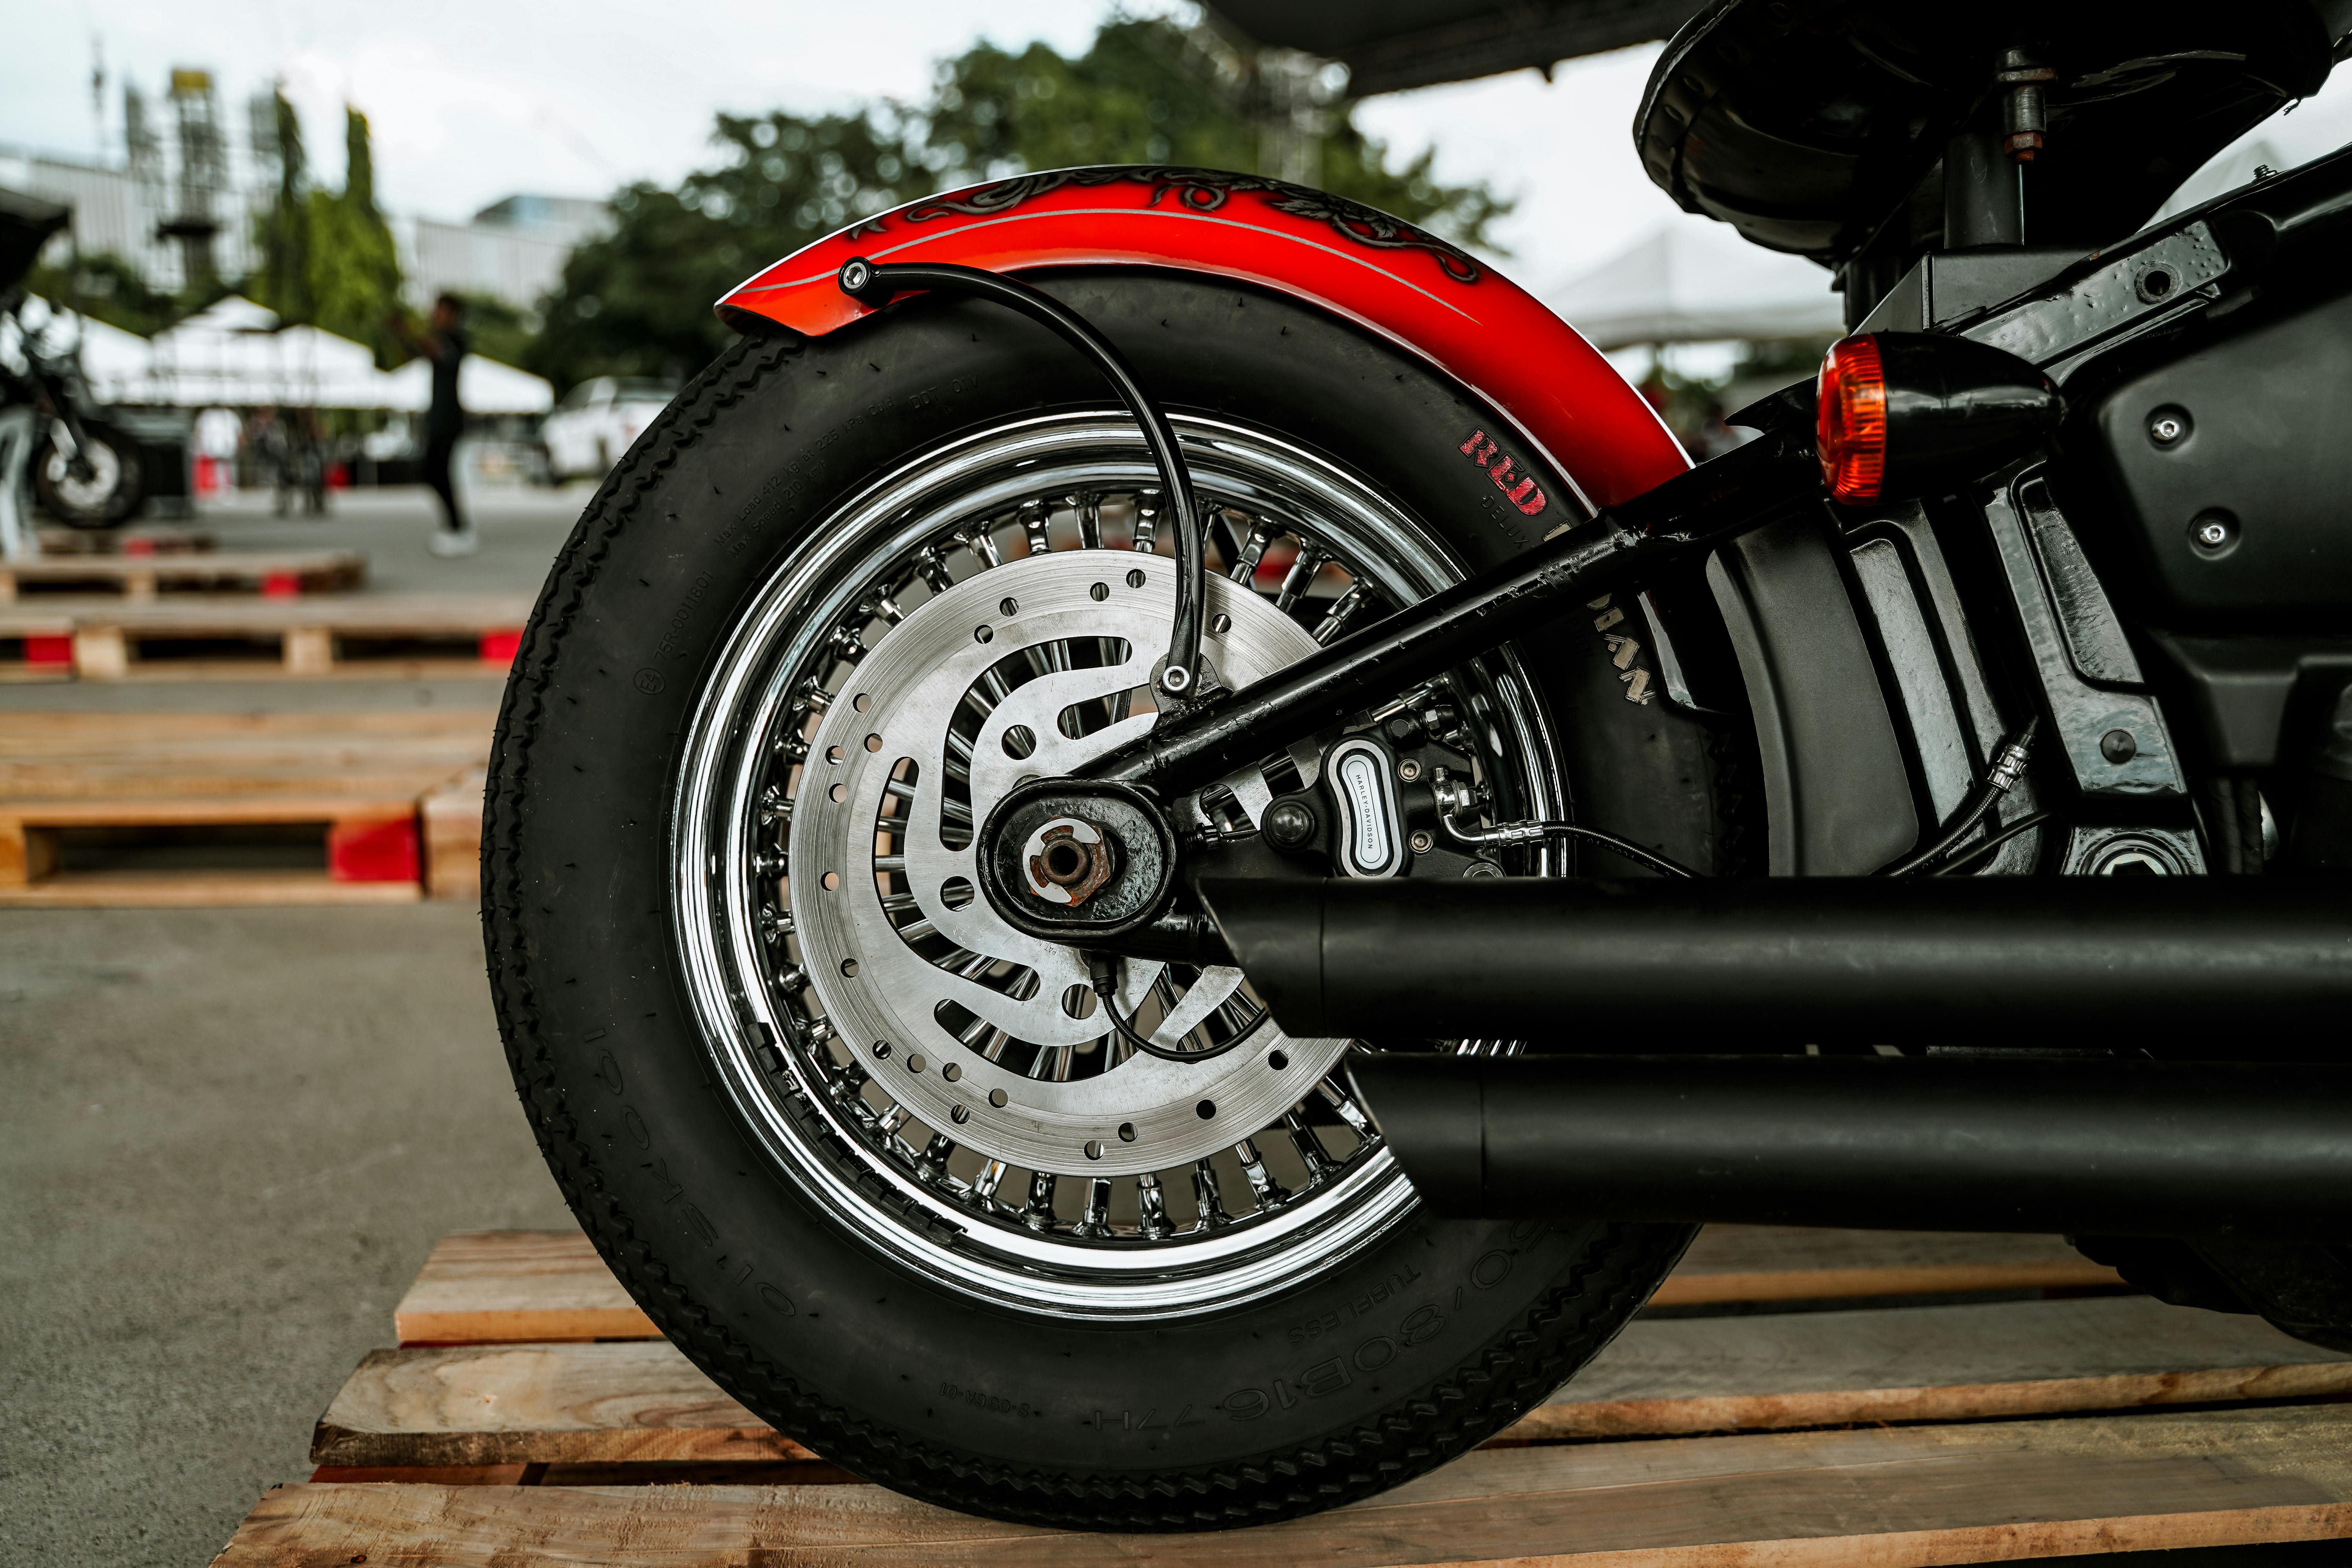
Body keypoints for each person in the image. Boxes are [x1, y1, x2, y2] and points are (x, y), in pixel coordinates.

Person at [393, 294, 474, 556]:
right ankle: (455, 526)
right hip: (437, 419)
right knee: (431, 472)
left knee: (440, 472)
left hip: (450, 419)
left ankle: (459, 528)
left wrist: (410, 330)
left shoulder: (457, 340)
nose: (434, 314)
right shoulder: (439, 340)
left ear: (452, 314)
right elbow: (417, 351)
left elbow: (435, 351)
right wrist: (402, 335)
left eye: (439, 310)